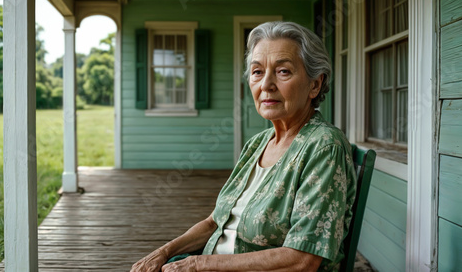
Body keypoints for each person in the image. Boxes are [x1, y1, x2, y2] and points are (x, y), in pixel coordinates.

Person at [130, 21, 357, 272]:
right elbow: (215, 222)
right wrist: (164, 252)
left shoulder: (324, 146)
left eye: (283, 71)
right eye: (257, 72)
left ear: (315, 84)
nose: (266, 85)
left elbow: (303, 259)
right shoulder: (257, 144)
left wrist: (199, 264)